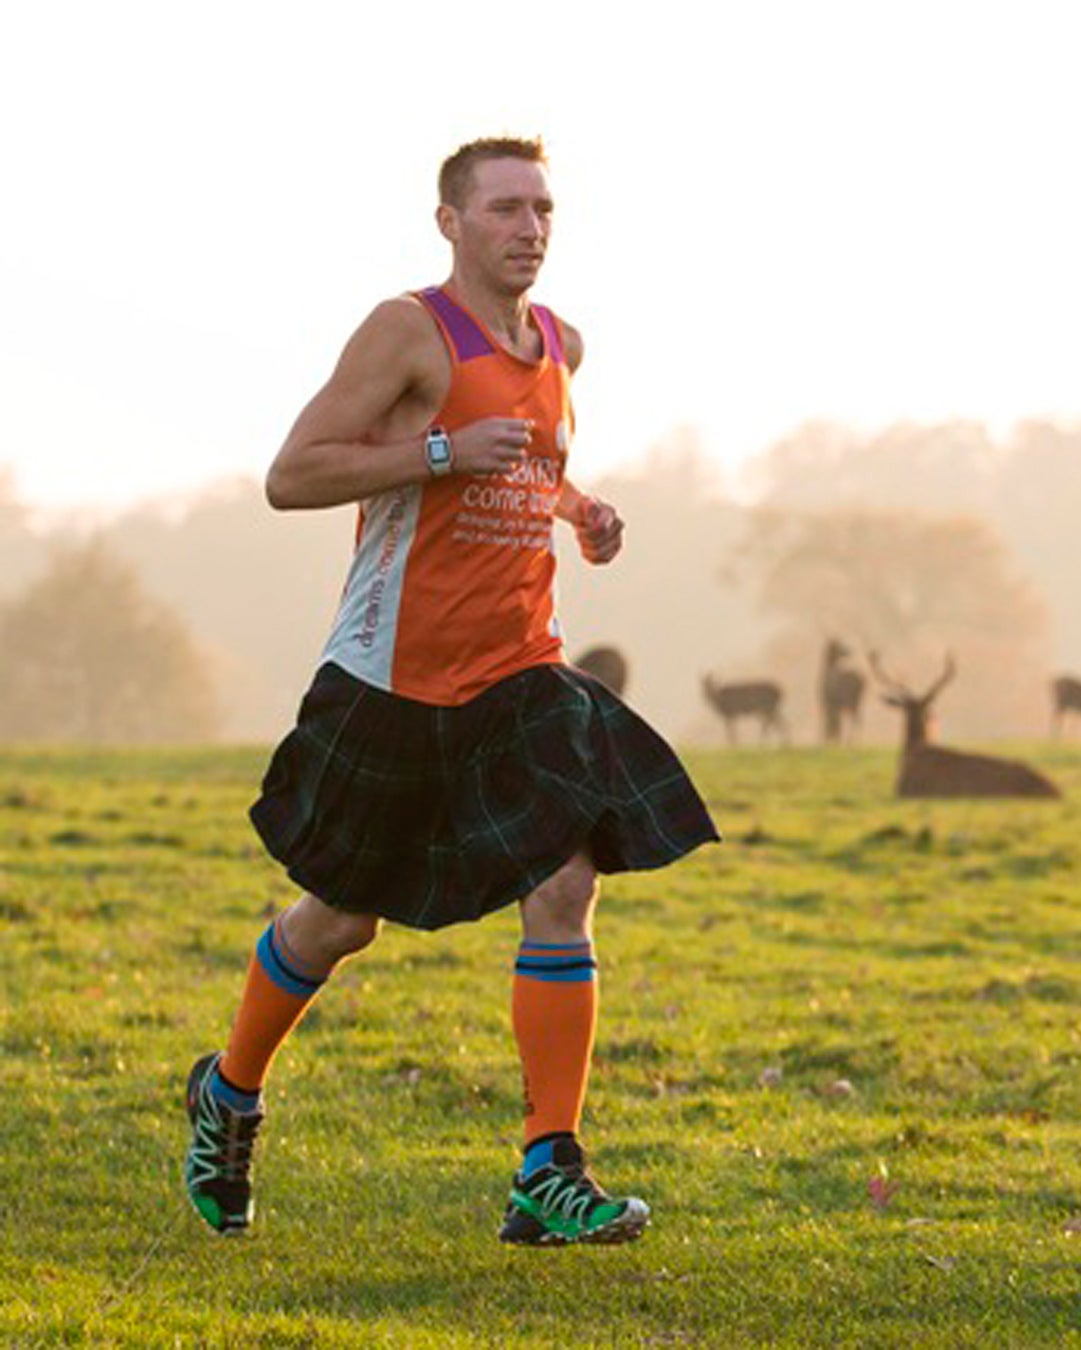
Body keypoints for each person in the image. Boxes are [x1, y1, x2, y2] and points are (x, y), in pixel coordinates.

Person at [181, 136, 718, 1246]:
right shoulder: (407, 332)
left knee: (568, 879)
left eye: (544, 210)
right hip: (394, 680)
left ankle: (546, 1168)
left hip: (520, 669)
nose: (530, 229)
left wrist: (584, 515)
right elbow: (294, 476)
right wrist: (435, 454)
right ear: (451, 224)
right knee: (342, 921)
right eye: (506, 209)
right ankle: (228, 1092)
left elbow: (529, 464)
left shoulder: (562, 342)